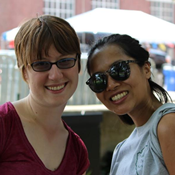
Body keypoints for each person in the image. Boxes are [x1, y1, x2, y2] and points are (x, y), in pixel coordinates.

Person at [0, 15, 89, 175]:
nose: (55, 75)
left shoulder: (77, 150)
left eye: (65, 61)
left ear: (78, 65)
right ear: (24, 72)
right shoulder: (4, 125)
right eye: (41, 64)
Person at [86, 33, 175, 175]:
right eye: (99, 80)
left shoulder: (168, 124)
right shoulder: (120, 152)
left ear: (146, 69)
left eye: (119, 70)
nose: (110, 85)